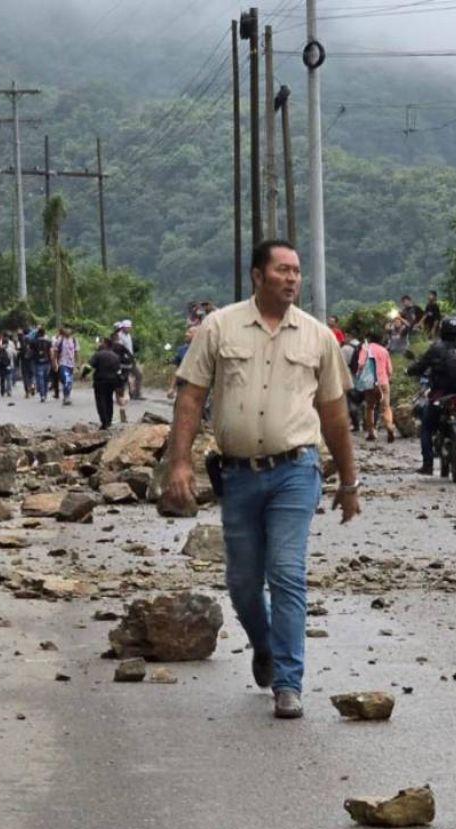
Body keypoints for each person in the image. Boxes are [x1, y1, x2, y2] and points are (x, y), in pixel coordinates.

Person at [164, 239, 360, 721]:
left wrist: (349, 481)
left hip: (296, 470)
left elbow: (335, 416)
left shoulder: (317, 337)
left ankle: (289, 683)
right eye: (282, 270)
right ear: (257, 276)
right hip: (238, 474)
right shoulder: (220, 327)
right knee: (243, 581)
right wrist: (179, 462)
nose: (292, 279)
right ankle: (264, 642)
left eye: (297, 271)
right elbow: (190, 399)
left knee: (287, 572)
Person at [408, 315, 456, 472]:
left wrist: (410, 370)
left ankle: (428, 464)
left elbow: (420, 365)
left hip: (440, 395)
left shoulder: (436, 348)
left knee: (427, 427)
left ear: (443, 330)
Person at [354, 331, 395, 443]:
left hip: (370, 383)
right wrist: (388, 378)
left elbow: (361, 364)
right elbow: (390, 370)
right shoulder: (384, 350)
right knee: (386, 406)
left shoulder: (366, 348)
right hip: (384, 381)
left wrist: (358, 376)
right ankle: (389, 427)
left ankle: (372, 432)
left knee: (370, 407)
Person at [90, 339, 124, 429]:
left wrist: (83, 375)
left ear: (105, 344)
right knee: (109, 400)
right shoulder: (116, 356)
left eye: (101, 343)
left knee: (100, 401)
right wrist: (120, 385)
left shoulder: (98, 355)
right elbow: (119, 371)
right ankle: (109, 420)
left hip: (100, 381)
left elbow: (90, 366)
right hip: (112, 381)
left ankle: (104, 421)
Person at [52, 326, 79, 406]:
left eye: (69, 329)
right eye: (66, 329)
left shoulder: (74, 340)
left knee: (69, 382)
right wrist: (55, 363)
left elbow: (77, 352)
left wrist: (77, 364)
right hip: (63, 363)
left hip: (71, 364)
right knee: (67, 379)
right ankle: (67, 397)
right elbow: (55, 353)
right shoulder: (60, 340)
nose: (67, 331)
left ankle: (66, 396)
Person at [31, 328, 54, 403]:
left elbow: (31, 351)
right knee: (46, 379)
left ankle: (42, 395)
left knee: (40, 378)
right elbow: (51, 352)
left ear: (38, 333)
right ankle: (46, 394)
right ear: (44, 333)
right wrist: (53, 361)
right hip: (47, 362)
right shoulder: (48, 342)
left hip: (38, 362)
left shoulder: (34, 342)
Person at [18, 328, 36, 398]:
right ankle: (33, 385)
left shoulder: (21, 340)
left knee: (25, 376)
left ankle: (27, 392)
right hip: (31, 360)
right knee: (31, 374)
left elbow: (19, 351)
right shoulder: (32, 340)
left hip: (23, 360)